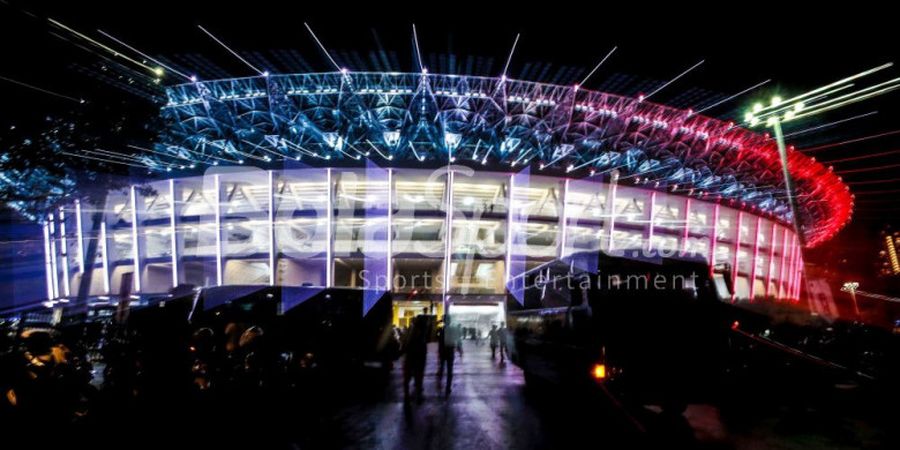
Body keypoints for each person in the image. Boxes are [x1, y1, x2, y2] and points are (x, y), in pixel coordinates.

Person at [403, 308, 432, 400]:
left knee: (410, 374)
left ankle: (409, 391)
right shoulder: (422, 333)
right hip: (419, 355)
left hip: (412, 355)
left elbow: (406, 343)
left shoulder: (412, 330)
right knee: (418, 374)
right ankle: (418, 391)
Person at [438, 315, 461, 396]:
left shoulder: (441, 330)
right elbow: (456, 339)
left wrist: (439, 351)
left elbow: (440, 342)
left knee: (442, 366)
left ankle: (440, 381)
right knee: (449, 369)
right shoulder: (451, 329)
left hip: (443, 351)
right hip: (450, 351)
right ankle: (448, 387)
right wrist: (459, 348)